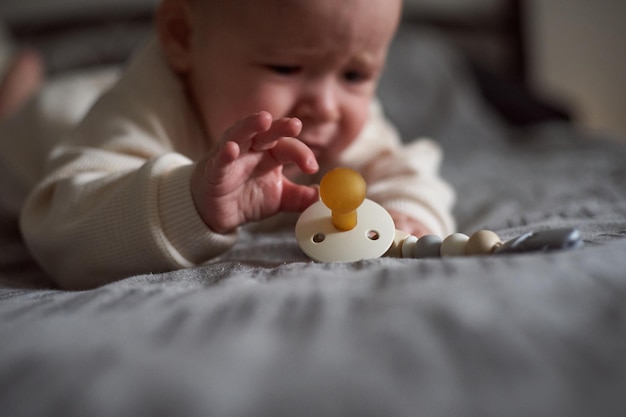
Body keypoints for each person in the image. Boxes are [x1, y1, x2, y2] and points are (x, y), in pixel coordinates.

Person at [1, 0, 455, 289]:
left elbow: (405, 170)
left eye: (354, 76)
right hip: (44, 127)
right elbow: (60, 225)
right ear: (182, 38)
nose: (328, 106)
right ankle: (14, 92)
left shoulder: (338, 119)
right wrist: (188, 201)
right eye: (285, 67)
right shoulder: (145, 109)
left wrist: (405, 213)